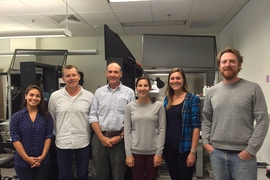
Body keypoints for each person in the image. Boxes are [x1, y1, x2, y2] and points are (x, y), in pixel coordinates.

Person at [201, 47, 269, 180]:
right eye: (224, 62)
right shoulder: (212, 92)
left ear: (239, 64)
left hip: (243, 155)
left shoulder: (253, 88)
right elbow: (206, 119)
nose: (228, 65)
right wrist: (206, 143)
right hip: (217, 153)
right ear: (219, 65)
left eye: (232, 61)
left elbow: (263, 120)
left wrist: (250, 150)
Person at [89, 62, 135, 180]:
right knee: (100, 175)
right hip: (100, 138)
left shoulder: (129, 92)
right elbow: (93, 116)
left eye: (115, 72)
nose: (112, 74)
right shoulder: (99, 92)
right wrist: (102, 137)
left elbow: (132, 119)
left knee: (119, 175)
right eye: (110, 72)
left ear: (120, 74)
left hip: (120, 140)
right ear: (106, 73)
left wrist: (120, 137)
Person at [48, 65, 94, 180]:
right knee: (64, 175)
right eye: (68, 76)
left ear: (78, 77)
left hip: (83, 141)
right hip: (62, 142)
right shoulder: (55, 97)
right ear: (63, 79)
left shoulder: (89, 97)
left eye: (74, 75)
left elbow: (93, 119)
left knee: (83, 174)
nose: (71, 78)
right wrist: (57, 134)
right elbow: (52, 118)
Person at [124, 76, 166, 180]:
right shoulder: (130, 107)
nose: (143, 88)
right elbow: (127, 131)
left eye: (145, 85)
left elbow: (162, 130)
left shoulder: (158, 106)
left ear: (150, 88)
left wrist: (159, 153)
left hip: (153, 153)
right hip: (135, 153)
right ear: (136, 88)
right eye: (140, 85)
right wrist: (128, 154)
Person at [163, 67, 201, 180]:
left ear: (183, 80)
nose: (175, 81)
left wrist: (193, 152)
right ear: (169, 81)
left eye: (178, 78)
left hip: (185, 149)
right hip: (169, 148)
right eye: (172, 78)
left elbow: (196, 127)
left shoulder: (192, 99)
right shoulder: (167, 99)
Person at [9, 85, 54, 180]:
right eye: (31, 95)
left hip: (42, 161)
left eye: (38, 96)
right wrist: (27, 158)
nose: (34, 98)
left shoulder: (47, 117)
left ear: (41, 98)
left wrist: (42, 157)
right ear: (26, 96)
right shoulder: (16, 117)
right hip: (22, 161)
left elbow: (48, 136)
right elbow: (15, 138)